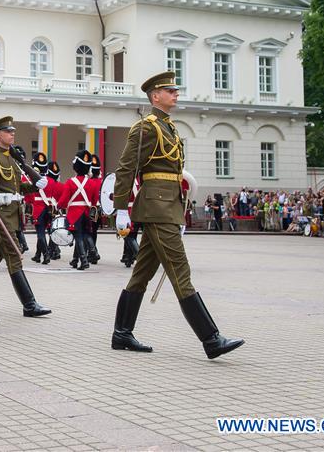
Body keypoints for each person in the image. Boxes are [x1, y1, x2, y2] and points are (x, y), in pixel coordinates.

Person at [111, 71, 243, 359]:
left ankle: (121, 334)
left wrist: (179, 215)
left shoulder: (169, 127)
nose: (175, 93)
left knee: (141, 275)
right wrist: (120, 208)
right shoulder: (145, 128)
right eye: (169, 90)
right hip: (157, 208)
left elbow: (174, 174)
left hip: (169, 206)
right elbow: (126, 168)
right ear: (155, 96)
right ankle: (211, 339)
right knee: (181, 273)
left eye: (175, 89)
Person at [0, 116, 51, 317]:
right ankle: (29, 304)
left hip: (13, 216)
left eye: (13, 131)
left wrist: (35, 184)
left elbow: (16, 188)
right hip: (1, 218)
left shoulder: (12, 159)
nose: (13, 134)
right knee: (15, 256)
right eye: (8, 131)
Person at [44, 149, 99, 271]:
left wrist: (58, 207)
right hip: (87, 212)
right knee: (86, 233)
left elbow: (64, 200)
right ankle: (83, 256)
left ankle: (84, 261)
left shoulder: (70, 182)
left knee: (78, 236)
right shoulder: (92, 183)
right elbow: (95, 200)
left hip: (75, 213)